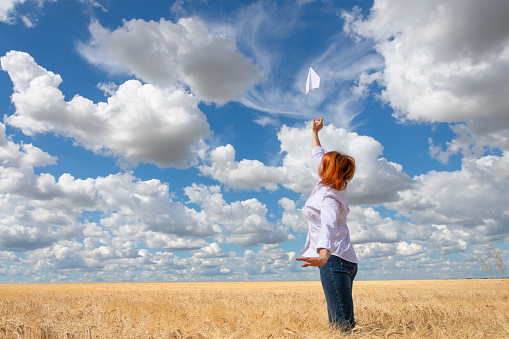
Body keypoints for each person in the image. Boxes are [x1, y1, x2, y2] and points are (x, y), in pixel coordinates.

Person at [296, 117, 358, 331]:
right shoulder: (333, 186)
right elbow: (317, 155)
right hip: (343, 259)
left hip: (334, 260)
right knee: (342, 323)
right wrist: (315, 131)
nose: (319, 164)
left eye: (323, 164)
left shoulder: (330, 196)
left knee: (341, 326)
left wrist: (323, 255)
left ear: (329, 170)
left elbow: (329, 226)